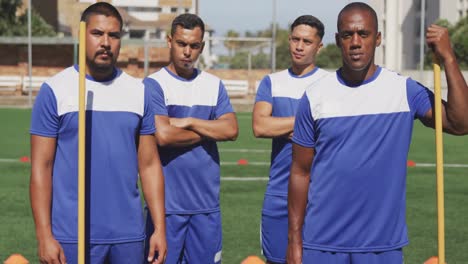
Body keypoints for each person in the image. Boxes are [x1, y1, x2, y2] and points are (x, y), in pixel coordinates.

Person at [287, 2, 468, 264]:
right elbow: (300, 172)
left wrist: (449, 57)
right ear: (338, 40)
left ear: (379, 38)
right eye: (348, 35)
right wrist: (294, 240)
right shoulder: (315, 96)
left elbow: (460, 123)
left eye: (364, 34)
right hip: (322, 244)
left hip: (381, 246)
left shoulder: (404, 91)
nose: (356, 42)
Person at [29, 2, 167, 263]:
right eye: (97, 34)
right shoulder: (55, 91)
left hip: (128, 234)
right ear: (81, 35)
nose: (106, 42)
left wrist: (159, 228)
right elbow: (41, 168)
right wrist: (44, 235)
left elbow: (149, 165)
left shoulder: (138, 92)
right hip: (72, 234)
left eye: (113, 35)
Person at [143, 13, 238, 263]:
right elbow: (163, 135)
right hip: (167, 210)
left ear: (202, 47)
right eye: (181, 44)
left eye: (194, 46)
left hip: (207, 209)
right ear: (169, 41)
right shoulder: (153, 85)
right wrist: (209, 130)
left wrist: (191, 121)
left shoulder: (214, 85)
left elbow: (230, 130)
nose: (187, 51)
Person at [252, 15, 328, 264]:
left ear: (319, 47)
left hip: (321, 196)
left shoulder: (330, 84)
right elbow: (260, 125)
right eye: (295, 39)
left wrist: (281, 125)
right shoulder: (272, 82)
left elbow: (331, 132)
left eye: (307, 41)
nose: (299, 46)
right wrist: (305, 123)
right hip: (279, 194)